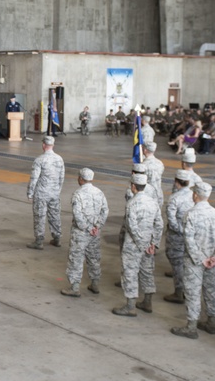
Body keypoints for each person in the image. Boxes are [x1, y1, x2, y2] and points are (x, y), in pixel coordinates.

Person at [171, 181, 215, 337]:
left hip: (194, 262)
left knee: (193, 292)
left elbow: (188, 239)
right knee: (211, 291)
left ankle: (191, 326)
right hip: (212, 262)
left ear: (195, 194)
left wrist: (199, 258)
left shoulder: (190, 214)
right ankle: (211, 323)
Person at [113, 173, 162, 317]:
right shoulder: (153, 202)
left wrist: (142, 243)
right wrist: (153, 243)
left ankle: (130, 306)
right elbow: (159, 224)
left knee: (130, 273)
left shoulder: (132, 203)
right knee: (147, 271)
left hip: (134, 246)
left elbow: (131, 227)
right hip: (148, 247)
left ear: (133, 186)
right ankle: (147, 302)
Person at [60, 168, 109, 297]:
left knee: (76, 258)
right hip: (95, 232)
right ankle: (95, 284)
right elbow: (105, 211)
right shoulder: (99, 192)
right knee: (94, 257)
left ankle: (75, 287)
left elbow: (77, 215)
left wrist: (87, 227)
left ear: (81, 179)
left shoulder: (78, 194)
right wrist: (97, 226)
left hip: (80, 233)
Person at [25, 136, 65, 250]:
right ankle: (57, 238)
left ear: (43, 145)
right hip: (54, 193)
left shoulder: (39, 160)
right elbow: (61, 177)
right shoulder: (59, 159)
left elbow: (34, 178)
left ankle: (39, 241)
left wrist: (30, 193)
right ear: (53, 145)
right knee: (55, 215)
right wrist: (58, 190)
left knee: (39, 216)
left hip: (41, 193)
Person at [163, 170, 195, 304]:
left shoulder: (174, 198)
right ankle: (188, 290)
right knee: (187, 263)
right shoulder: (194, 195)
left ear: (177, 182)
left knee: (177, 263)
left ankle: (179, 292)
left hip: (177, 236)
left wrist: (181, 231)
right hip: (191, 235)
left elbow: (171, 220)